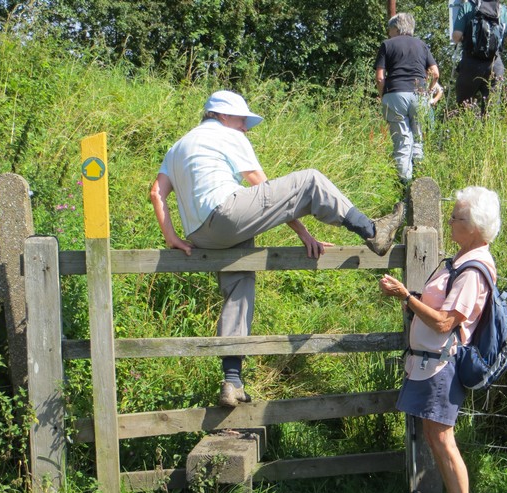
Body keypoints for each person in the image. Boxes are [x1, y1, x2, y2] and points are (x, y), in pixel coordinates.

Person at [150, 90, 406, 407]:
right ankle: (373, 231)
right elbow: (264, 187)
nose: (245, 128)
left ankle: (231, 380)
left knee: (239, 286)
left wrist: (171, 237)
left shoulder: (177, 147)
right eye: (242, 120)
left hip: (201, 234)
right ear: (223, 115)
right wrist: (303, 232)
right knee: (310, 180)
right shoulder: (226, 135)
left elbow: (156, 193)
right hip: (227, 213)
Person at [378, 186, 501, 493]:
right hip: (431, 362)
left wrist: (406, 297)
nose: (450, 221)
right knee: (436, 436)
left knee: (443, 439)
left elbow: (446, 323)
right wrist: (411, 300)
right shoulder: (460, 261)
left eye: (456, 217)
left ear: (474, 226)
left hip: (441, 364)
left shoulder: (472, 271)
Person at [375, 13, 440, 184]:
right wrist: (429, 91)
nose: (389, 33)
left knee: (402, 142)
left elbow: (380, 78)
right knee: (418, 139)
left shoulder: (387, 44)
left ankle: (405, 186)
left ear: (396, 28)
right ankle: (420, 183)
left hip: (395, 94)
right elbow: (435, 73)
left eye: (390, 29)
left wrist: (383, 96)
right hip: (419, 95)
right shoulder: (422, 45)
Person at [451, 0, 507, 111]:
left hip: (470, 63)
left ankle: (463, 120)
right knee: (491, 109)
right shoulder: (500, 9)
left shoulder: (467, 6)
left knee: (463, 108)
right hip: (494, 64)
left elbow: (456, 36)